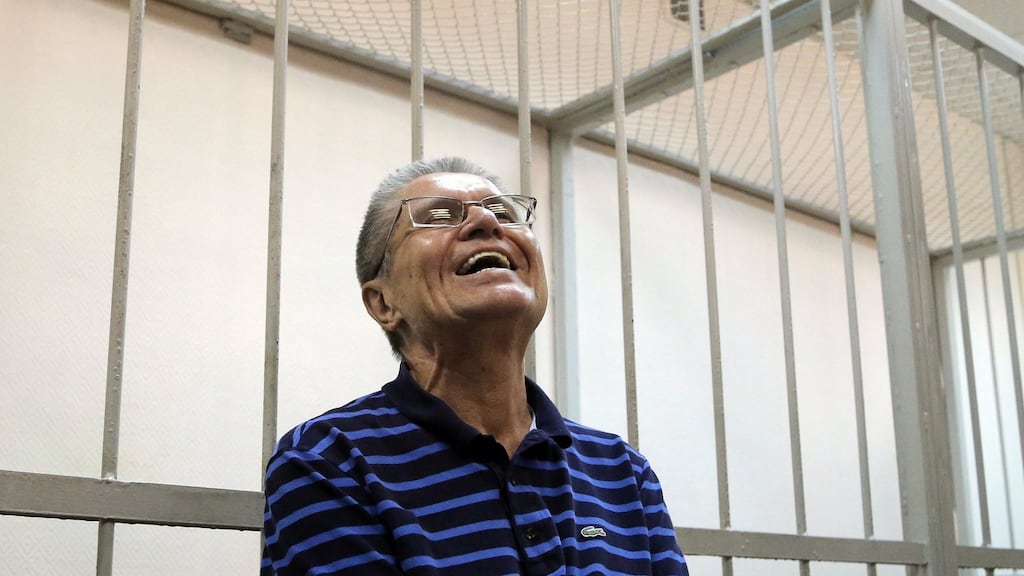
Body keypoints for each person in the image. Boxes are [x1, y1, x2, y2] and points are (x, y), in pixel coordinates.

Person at [261, 157, 689, 575]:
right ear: (384, 302)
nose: (488, 222)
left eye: (503, 211)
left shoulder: (623, 472)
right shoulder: (328, 461)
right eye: (440, 215)